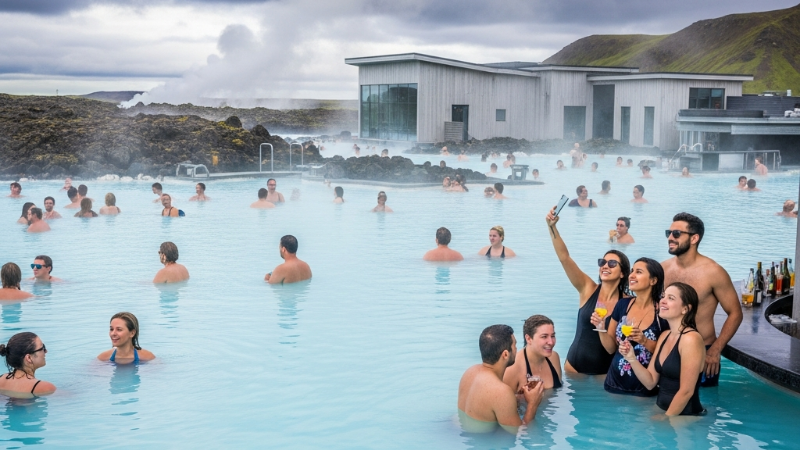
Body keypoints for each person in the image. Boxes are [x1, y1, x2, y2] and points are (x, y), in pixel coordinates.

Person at [545, 207, 630, 374]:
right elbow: (564, 258)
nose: (605, 266)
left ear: (622, 273)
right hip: (574, 370)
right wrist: (552, 227)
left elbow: (616, 345)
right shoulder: (588, 289)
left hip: (604, 374)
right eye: (602, 262)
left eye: (612, 264)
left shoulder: (627, 302)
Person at [662, 212, 741, 387]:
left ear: (694, 238)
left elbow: (735, 313)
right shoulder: (664, 268)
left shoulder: (713, 272)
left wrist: (715, 349)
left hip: (703, 351)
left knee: (705, 406)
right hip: (668, 347)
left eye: (676, 234)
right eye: (669, 233)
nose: (670, 238)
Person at [620, 282, 706, 415]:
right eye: (663, 296)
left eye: (671, 298)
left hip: (686, 417)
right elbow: (650, 382)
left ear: (685, 309)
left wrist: (666, 419)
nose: (663, 301)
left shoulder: (691, 339)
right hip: (663, 411)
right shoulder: (665, 336)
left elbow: (686, 391)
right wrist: (631, 358)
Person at [592, 258, 668, 396]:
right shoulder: (623, 305)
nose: (631, 275)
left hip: (644, 387)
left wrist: (644, 340)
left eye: (638, 272)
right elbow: (610, 349)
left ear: (653, 280)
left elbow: (666, 355)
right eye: (632, 271)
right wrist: (601, 327)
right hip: (614, 384)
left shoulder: (662, 312)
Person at [457, 324, 544, 432]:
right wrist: (533, 404)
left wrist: (518, 398)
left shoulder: (470, 372)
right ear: (505, 354)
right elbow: (520, 432)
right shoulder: (501, 391)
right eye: (515, 345)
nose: (517, 349)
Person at [503, 315, 562, 393]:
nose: (551, 342)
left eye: (553, 336)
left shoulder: (554, 357)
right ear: (528, 339)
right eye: (544, 336)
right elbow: (505, 403)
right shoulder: (513, 368)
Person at [0, 332, 56, 398]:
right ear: (29, 358)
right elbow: (67, 397)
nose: (46, 351)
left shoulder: (1, 380)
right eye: (42, 348)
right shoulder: (44, 387)